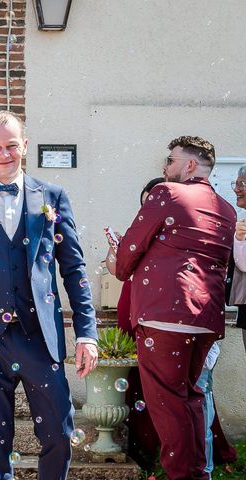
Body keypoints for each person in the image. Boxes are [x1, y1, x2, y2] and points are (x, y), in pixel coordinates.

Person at [0, 110, 98, 480]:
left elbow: (73, 270)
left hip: (39, 336)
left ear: (25, 145)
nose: (4, 153)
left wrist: (87, 333)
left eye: (11, 145)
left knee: (59, 431)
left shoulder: (53, 196)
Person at [115, 136, 235, 480]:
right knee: (191, 398)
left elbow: (130, 250)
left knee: (167, 405)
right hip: (207, 318)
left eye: (170, 160)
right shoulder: (226, 208)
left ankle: (184, 475)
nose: (165, 168)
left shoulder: (167, 193)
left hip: (165, 315)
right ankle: (198, 473)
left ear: (190, 165)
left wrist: (120, 267)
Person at [105, 177, 163, 469]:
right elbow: (117, 271)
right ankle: (137, 441)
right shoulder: (137, 229)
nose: (145, 209)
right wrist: (115, 248)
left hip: (154, 306)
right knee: (133, 376)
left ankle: (158, 446)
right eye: (142, 204)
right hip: (130, 301)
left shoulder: (173, 233)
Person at [229, 166, 246, 354]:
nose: (236, 189)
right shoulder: (242, 220)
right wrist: (239, 240)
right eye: (236, 183)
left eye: (242, 184)